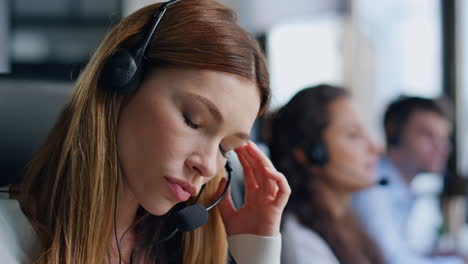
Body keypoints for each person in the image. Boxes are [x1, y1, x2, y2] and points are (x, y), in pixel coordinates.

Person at [0, 0, 291, 263]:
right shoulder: (8, 240)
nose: (206, 165)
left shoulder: (179, 248)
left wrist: (256, 252)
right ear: (121, 82)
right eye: (193, 120)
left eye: (224, 149)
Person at [269, 84, 385, 264]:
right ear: (313, 153)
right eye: (354, 135)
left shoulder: (347, 224)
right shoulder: (303, 243)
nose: (375, 148)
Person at [353, 96, 464, 264]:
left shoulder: (397, 186)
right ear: (394, 132)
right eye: (427, 135)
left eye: (444, 137)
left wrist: (431, 256)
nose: (442, 147)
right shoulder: (373, 185)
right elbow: (392, 260)